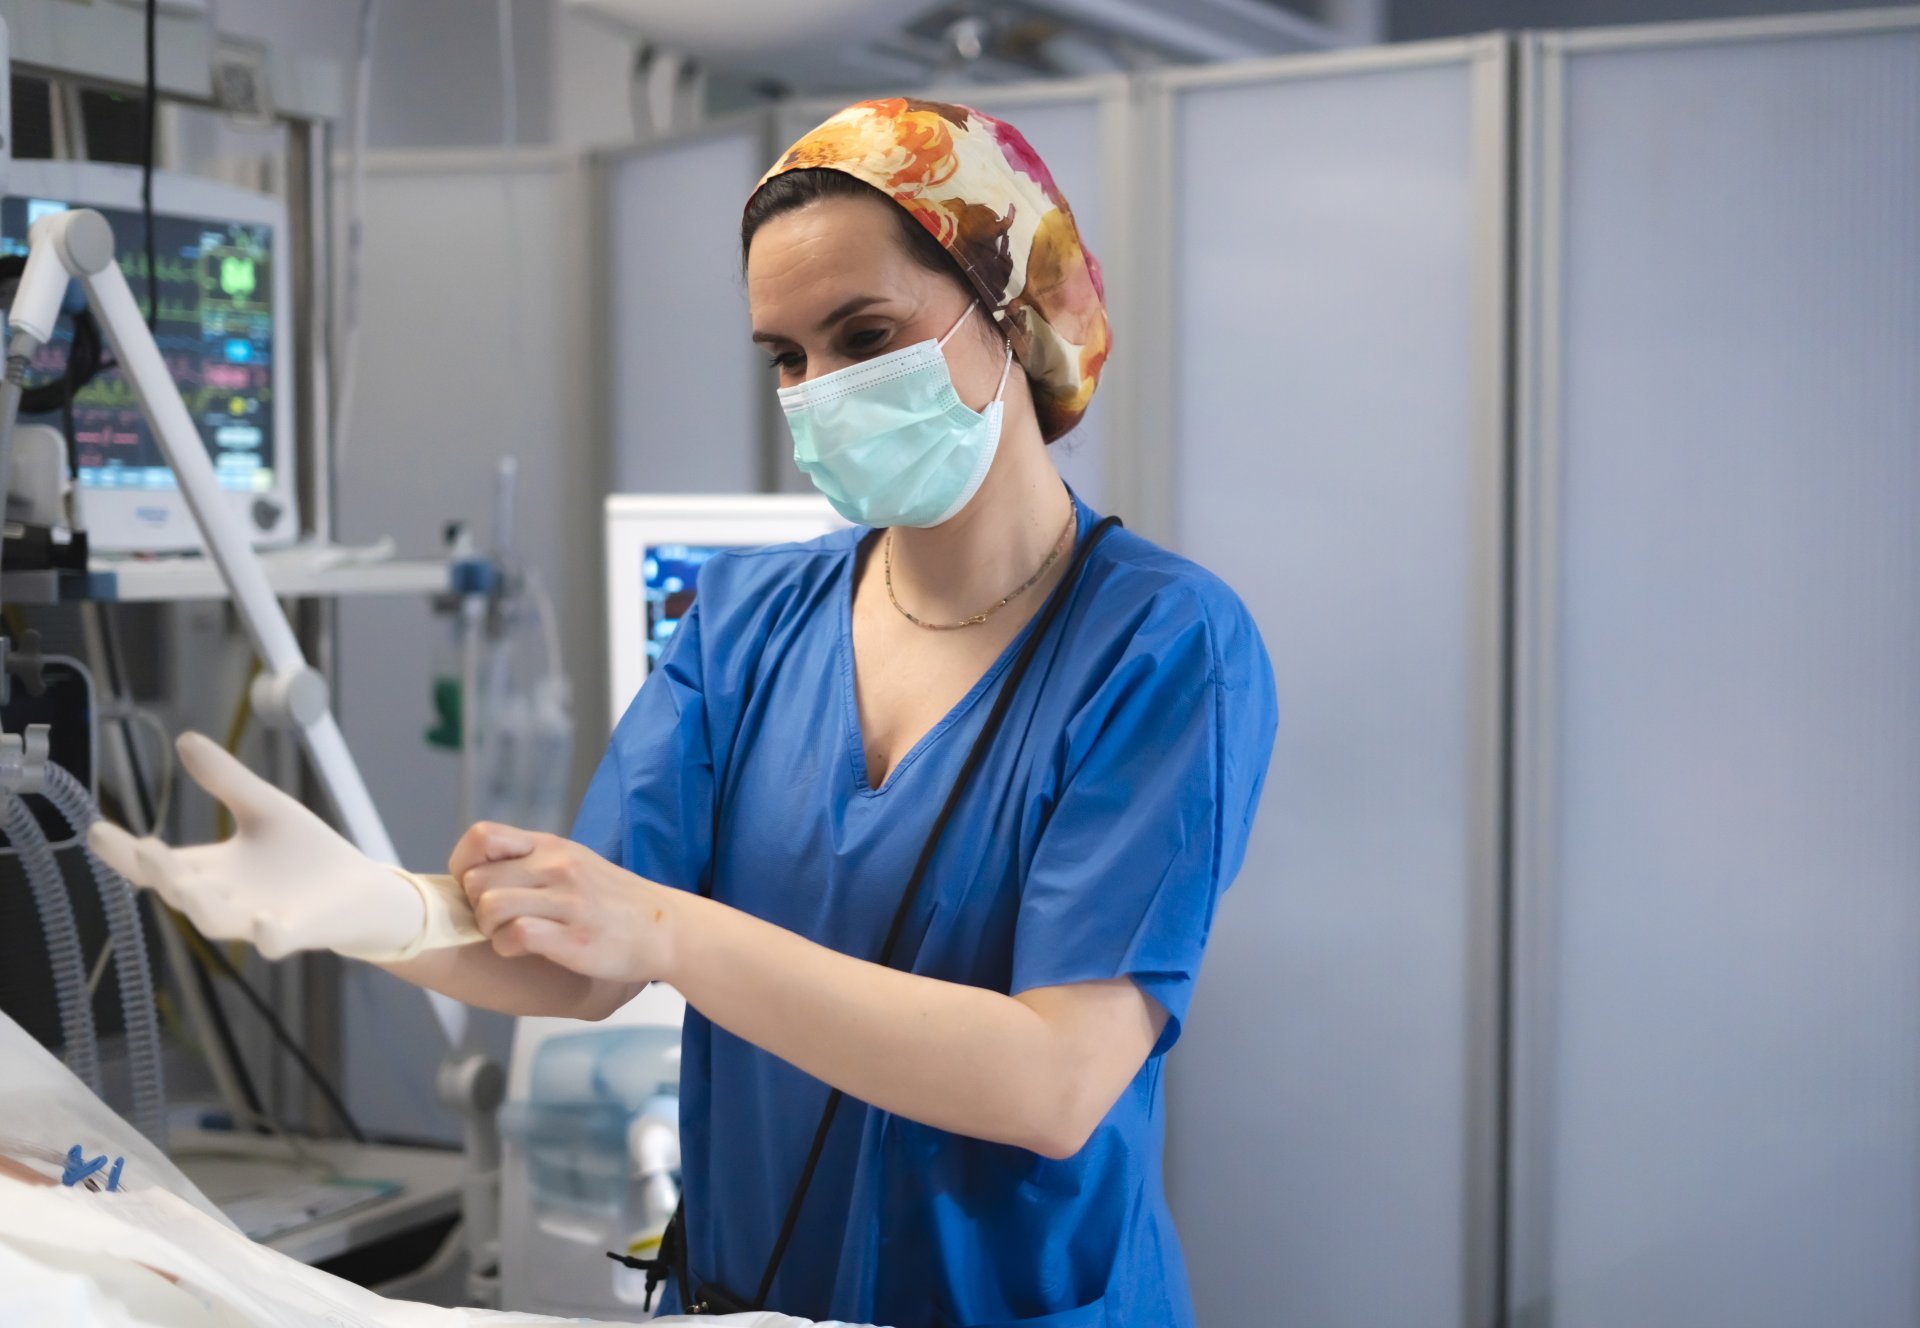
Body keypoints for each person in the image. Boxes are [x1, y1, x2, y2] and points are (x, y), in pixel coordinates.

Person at [95, 98, 1277, 1328]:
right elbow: (584, 955)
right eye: (787, 354)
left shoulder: (1161, 646)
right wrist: (374, 912)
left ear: (1011, 309)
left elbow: (1054, 1079)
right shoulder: (747, 621)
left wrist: (670, 931)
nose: (818, 389)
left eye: (864, 332)